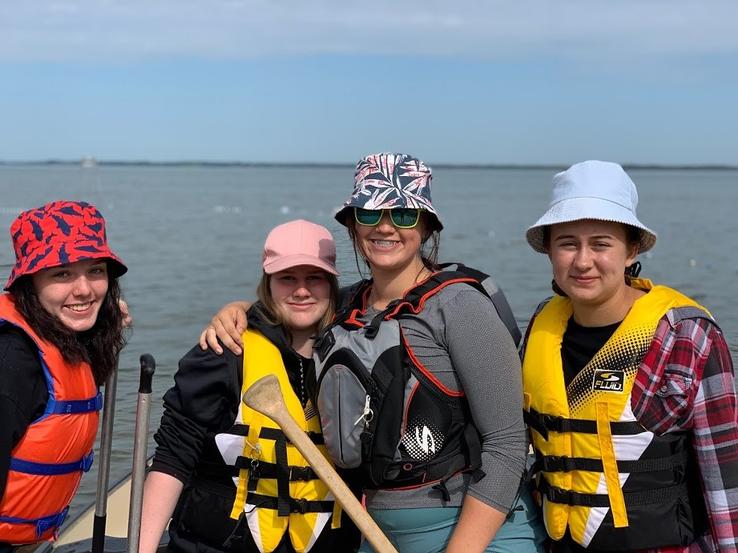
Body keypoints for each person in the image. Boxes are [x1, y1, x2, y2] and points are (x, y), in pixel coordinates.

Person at [200, 153, 547, 553]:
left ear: (427, 226)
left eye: (403, 214)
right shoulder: (346, 307)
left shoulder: (460, 307)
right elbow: (288, 308)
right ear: (352, 226)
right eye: (369, 213)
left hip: (475, 535)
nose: (385, 226)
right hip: (376, 532)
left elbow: (506, 445)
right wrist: (235, 311)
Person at [521, 160, 738, 552]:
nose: (583, 261)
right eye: (567, 243)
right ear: (550, 250)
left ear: (631, 249)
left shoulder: (686, 336)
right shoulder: (540, 326)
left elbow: (724, 473)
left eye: (601, 243)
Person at [139, 220, 361, 553]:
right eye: (287, 278)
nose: (301, 291)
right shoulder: (224, 352)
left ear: (331, 284)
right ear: (268, 283)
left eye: (314, 278)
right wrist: (141, 547)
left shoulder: (355, 349)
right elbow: (173, 456)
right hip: (219, 544)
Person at [0, 201, 128, 550]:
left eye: (96, 271)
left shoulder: (65, 334)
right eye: (62, 274)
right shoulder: (11, 362)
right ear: (30, 282)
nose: (85, 290)